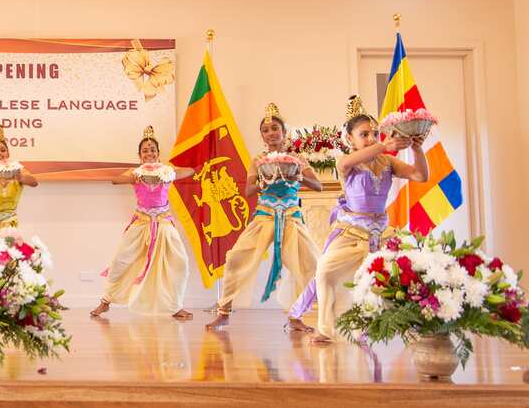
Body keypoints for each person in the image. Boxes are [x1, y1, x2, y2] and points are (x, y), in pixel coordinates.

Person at [310, 95, 429, 344]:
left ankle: (416, 326)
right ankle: (325, 329)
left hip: (382, 232)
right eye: (364, 134)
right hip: (352, 231)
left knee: (407, 275)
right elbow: (345, 163)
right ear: (349, 138)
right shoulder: (347, 162)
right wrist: (385, 145)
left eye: (374, 133)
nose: (371, 138)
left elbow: (420, 175)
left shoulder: (387, 161)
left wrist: (417, 148)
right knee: (324, 271)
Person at [206, 103, 321, 331]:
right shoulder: (258, 159)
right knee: (236, 258)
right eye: (266, 130)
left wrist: (298, 176)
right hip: (265, 216)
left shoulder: (297, 158)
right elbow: (248, 190)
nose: (271, 133)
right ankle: (224, 311)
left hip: (291, 217)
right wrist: (263, 182)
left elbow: (317, 185)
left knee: (310, 264)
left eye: (275, 128)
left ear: (284, 132)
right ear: (262, 136)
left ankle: (296, 316)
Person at [91, 126, 196, 320]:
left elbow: (189, 171)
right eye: (145, 150)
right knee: (121, 261)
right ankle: (105, 302)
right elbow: (116, 181)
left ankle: (176, 306)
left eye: (153, 149)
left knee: (180, 263)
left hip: (163, 223)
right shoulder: (136, 172)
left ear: (158, 153)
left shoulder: (167, 171)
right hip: (141, 223)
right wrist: (135, 176)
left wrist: (172, 173)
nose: (149, 152)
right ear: (140, 155)